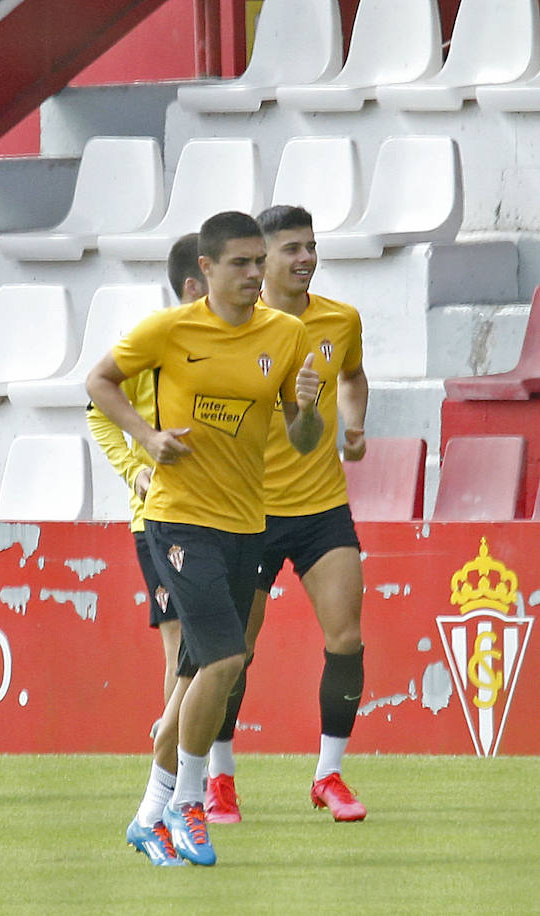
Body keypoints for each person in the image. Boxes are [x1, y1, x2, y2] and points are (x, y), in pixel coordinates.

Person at [86, 211, 323, 866]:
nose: (255, 273)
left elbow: (303, 441)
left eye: (259, 261)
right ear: (207, 271)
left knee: (194, 673)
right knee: (223, 660)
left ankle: (146, 816)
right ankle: (192, 802)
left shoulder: (287, 333)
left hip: (248, 522)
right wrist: (147, 439)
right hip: (179, 518)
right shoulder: (169, 330)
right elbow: (97, 383)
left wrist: (306, 408)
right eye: (242, 263)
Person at [203, 204, 368, 824]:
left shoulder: (339, 320)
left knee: (346, 638)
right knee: (234, 654)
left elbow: (352, 376)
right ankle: (220, 780)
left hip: (323, 505)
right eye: (290, 249)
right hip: (250, 511)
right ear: (261, 260)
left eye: (311, 245)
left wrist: (354, 426)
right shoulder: (239, 327)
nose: (305, 258)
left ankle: (329, 775)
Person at [87, 233, 206, 717]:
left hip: (221, 513)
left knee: (215, 648)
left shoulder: (241, 344)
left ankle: (189, 765)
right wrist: (136, 468)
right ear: (197, 282)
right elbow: (98, 407)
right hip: (159, 518)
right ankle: (173, 771)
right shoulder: (154, 341)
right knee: (181, 643)